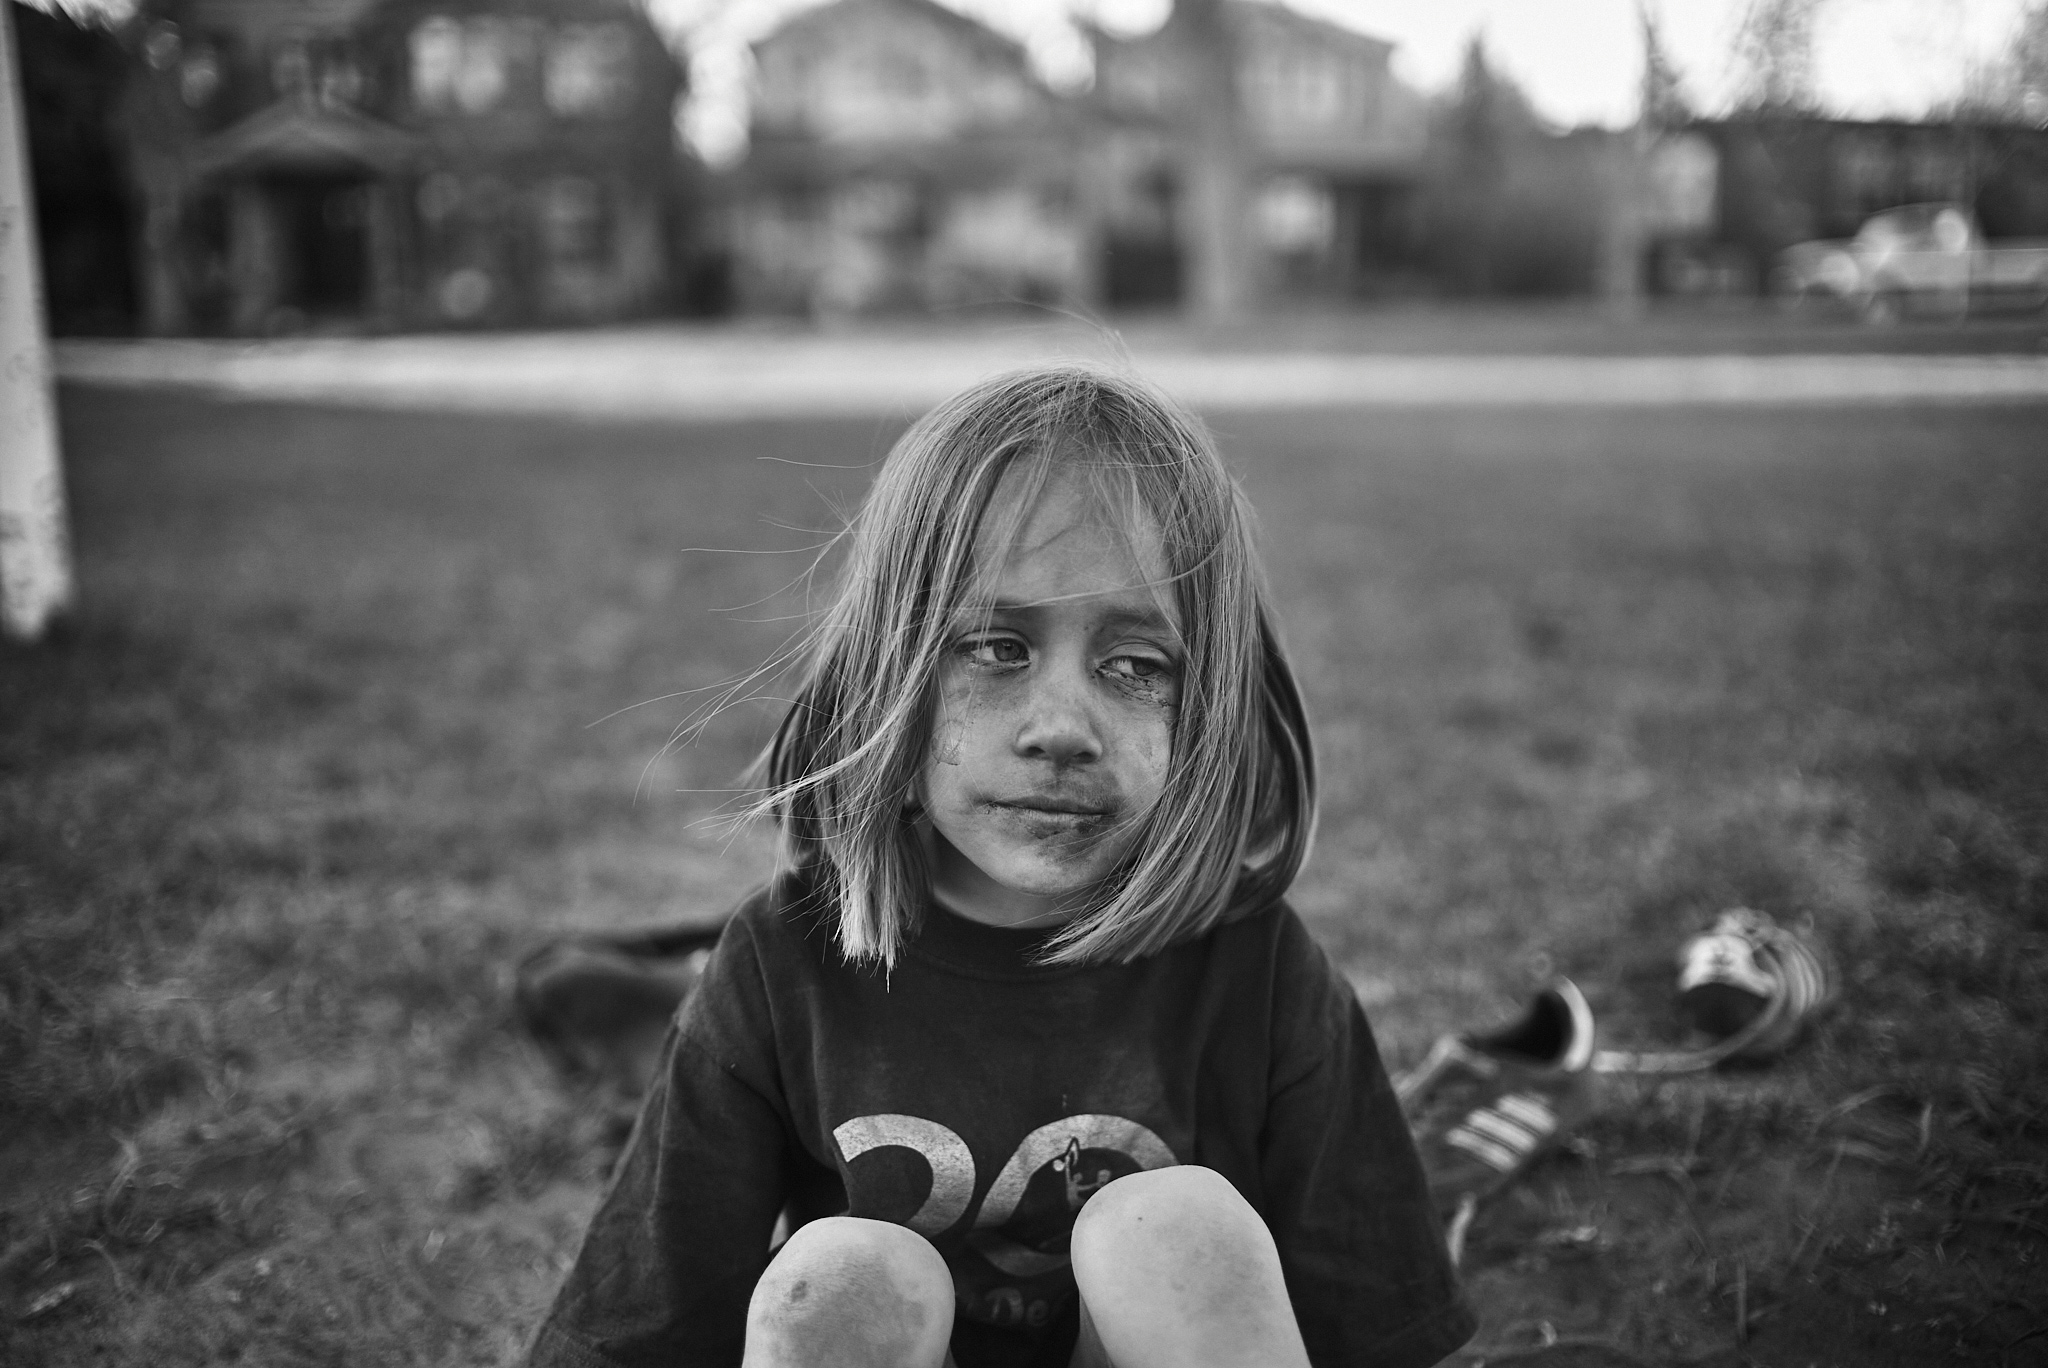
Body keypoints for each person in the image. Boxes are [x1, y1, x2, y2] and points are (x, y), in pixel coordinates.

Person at [523, 365, 1475, 1368]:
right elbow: (635, 1332)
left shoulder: (1262, 973)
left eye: (1136, 665)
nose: (1061, 728)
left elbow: (1378, 1332)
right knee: (844, 1274)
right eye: (993, 645)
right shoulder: (777, 966)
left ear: (1206, 714)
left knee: (1174, 1231)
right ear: (888, 675)